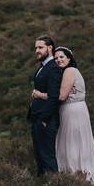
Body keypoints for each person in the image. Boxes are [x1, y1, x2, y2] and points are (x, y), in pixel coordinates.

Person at [32, 46, 94, 186]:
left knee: (71, 143)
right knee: (75, 143)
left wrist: (39, 94)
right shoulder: (68, 71)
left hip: (72, 110)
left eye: (62, 57)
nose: (59, 60)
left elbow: (61, 96)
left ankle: (75, 173)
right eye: (56, 58)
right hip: (75, 109)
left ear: (69, 58)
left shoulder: (69, 71)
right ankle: (73, 172)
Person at [27, 35, 62, 176]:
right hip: (37, 118)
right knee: (39, 156)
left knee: (47, 156)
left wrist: (44, 120)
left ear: (50, 48)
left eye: (40, 47)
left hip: (46, 120)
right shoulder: (43, 67)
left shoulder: (53, 67)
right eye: (36, 48)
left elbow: (54, 97)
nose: (37, 50)